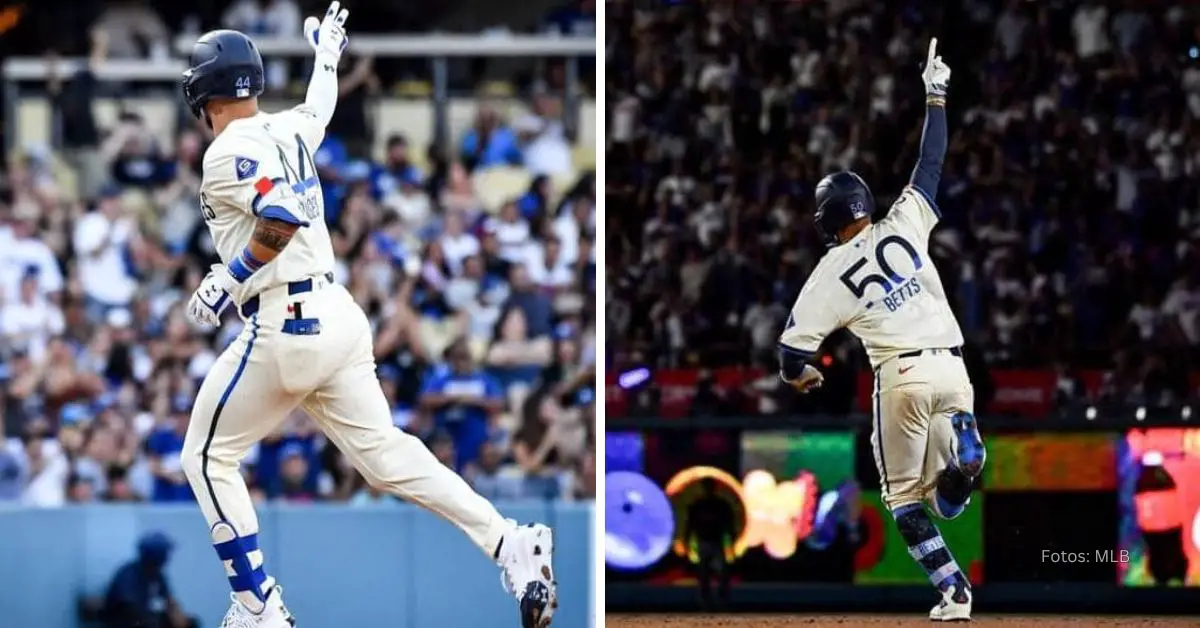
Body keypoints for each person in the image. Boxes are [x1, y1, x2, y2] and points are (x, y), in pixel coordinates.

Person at [176, 5, 557, 626]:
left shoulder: (224, 153)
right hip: (340, 315)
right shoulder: (287, 130)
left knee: (206, 456)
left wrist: (230, 278)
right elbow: (319, 109)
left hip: (287, 318)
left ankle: (255, 603)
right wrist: (326, 59)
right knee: (384, 456)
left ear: (201, 92)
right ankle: (509, 541)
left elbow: (282, 217)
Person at [776, 40, 984, 622]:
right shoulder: (905, 223)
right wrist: (936, 94)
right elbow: (931, 165)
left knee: (900, 500)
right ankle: (963, 464)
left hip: (902, 375)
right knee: (947, 505)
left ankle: (956, 593)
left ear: (826, 221)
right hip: (952, 366)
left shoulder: (830, 271)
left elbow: (791, 350)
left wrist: (801, 376)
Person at [102, 532, 197, 628]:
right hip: (124, 621)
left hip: (145, 617)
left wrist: (180, 619)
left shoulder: (157, 575)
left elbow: (168, 600)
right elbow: (129, 608)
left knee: (192, 623)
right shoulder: (128, 575)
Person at [682, 478, 735, 610]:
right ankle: (708, 600)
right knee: (706, 573)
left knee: (719, 573)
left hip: (715, 542)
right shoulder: (700, 505)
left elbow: (729, 524)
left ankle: (720, 599)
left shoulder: (718, 505)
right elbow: (691, 524)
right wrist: (687, 541)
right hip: (705, 542)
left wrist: (731, 540)